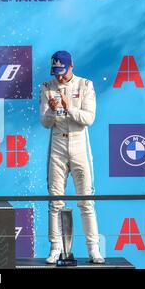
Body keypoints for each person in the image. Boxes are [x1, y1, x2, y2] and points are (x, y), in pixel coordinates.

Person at [39, 50, 104, 264]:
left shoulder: (85, 85)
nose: (58, 77)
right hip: (57, 145)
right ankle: (55, 249)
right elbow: (45, 122)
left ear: (71, 66)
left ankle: (93, 250)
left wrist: (69, 108)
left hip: (79, 145)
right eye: (55, 72)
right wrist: (51, 110)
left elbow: (89, 118)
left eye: (62, 72)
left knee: (86, 201)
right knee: (54, 200)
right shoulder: (47, 88)